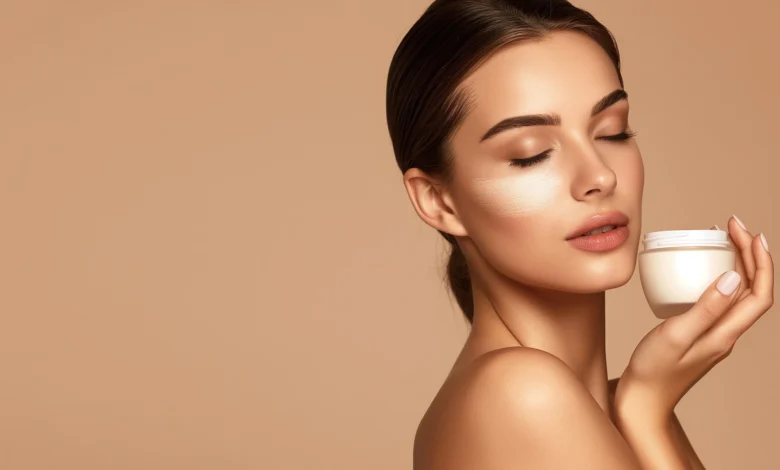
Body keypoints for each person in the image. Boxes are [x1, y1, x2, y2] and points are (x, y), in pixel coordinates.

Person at [384, 1, 775, 468]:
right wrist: (645, 412)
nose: (600, 176)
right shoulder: (519, 396)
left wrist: (645, 408)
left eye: (613, 132)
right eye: (530, 154)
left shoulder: (608, 404)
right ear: (438, 201)